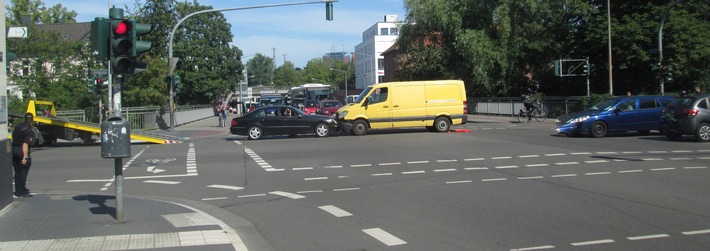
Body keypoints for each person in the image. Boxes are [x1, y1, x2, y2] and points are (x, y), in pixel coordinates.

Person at [12, 113, 36, 198]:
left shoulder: (18, 126)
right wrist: (25, 157)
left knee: (17, 171)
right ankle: (21, 192)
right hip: (22, 150)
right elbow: (25, 144)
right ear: (32, 119)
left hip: (14, 149)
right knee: (23, 171)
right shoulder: (30, 130)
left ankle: (18, 189)